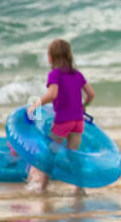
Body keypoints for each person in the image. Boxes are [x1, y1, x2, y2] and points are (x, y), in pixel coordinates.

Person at [26, 38, 95, 194]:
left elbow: (52, 94)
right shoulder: (77, 74)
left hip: (63, 122)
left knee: (49, 154)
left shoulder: (55, 74)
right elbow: (91, 94)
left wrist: (35, 104)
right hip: (78, 122)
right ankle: (79, 188)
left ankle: (43, 188)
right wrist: (83, 105)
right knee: (73, 155)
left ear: (50, 57)